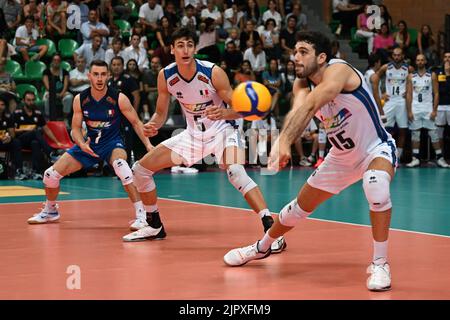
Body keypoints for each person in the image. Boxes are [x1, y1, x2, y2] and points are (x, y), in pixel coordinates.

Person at [224, 31, 397, 292]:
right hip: (340, 158)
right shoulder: (301, 84)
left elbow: (313, 104)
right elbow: (299, 111)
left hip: (375, 149)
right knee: (295, 210)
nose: (296, 57)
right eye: (295, 52)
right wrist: (283, 140)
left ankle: (380, 263)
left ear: (322, 57)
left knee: (376, 185)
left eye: (303, 51)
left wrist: (283, 143)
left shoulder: (338, 71)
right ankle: (262, 247)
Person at [122, 28, 286, 255]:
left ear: (195, 48)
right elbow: (160, 114)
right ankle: (154, 224)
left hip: (223, 131)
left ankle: (272, 228)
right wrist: (153, 125)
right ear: (172, 49)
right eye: (180, 45)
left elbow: (242, 109)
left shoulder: (213, 73)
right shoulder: (166, 76)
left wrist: (224, 114)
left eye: (190, 44)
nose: (185, 50)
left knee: (236, 172)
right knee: (140, 170)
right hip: (192, 135)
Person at [27, 60, 153, 231]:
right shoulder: (80, 99)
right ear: (89, 76)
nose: (99, 78)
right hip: (89, 145)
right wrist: (81, 143)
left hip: (112, 144)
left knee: (122, 167)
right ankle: (50, 211)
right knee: (50, 175)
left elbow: (137, 123)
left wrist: (148, 145)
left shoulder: (119, 98)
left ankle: (143, 215)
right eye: (96, 74)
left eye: (103, 74)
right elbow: (75, 129)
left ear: (108, 75)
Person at [405, 54, 446, 168]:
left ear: (425, 61)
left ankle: (440, 158)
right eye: (418, 60)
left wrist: (434, 110)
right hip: (415, 108)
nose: (420, 62)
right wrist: (409, 110)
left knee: (434, 133)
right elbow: (408, 94)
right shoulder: (410, 76)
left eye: (422, 60)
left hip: (428, 109)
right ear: (416, 62)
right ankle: (415, 158)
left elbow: (436, 93)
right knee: (415, 134)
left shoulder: (432, 75)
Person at [372, 47, 413, 161]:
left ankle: (398, 156)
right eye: (394, 55)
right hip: (389, 101)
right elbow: (375, 79)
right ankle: (384, 154)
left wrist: (409, 91)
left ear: (403, 56)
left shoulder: (408, 69)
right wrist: (382, 93)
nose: (396, 57)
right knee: (384, 128)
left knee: (402, 130)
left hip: (402, 101)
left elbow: (416, 82)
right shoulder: (386, 67)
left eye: (399, 55)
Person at [436, 51, 450, 159]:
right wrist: (445, 73)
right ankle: (441, 157)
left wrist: (448, 74)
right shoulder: (438, 72)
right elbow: (440, 90)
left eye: (449, 57)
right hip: (440, 106)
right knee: (439, 132)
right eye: (445, 57)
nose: (447, 59)